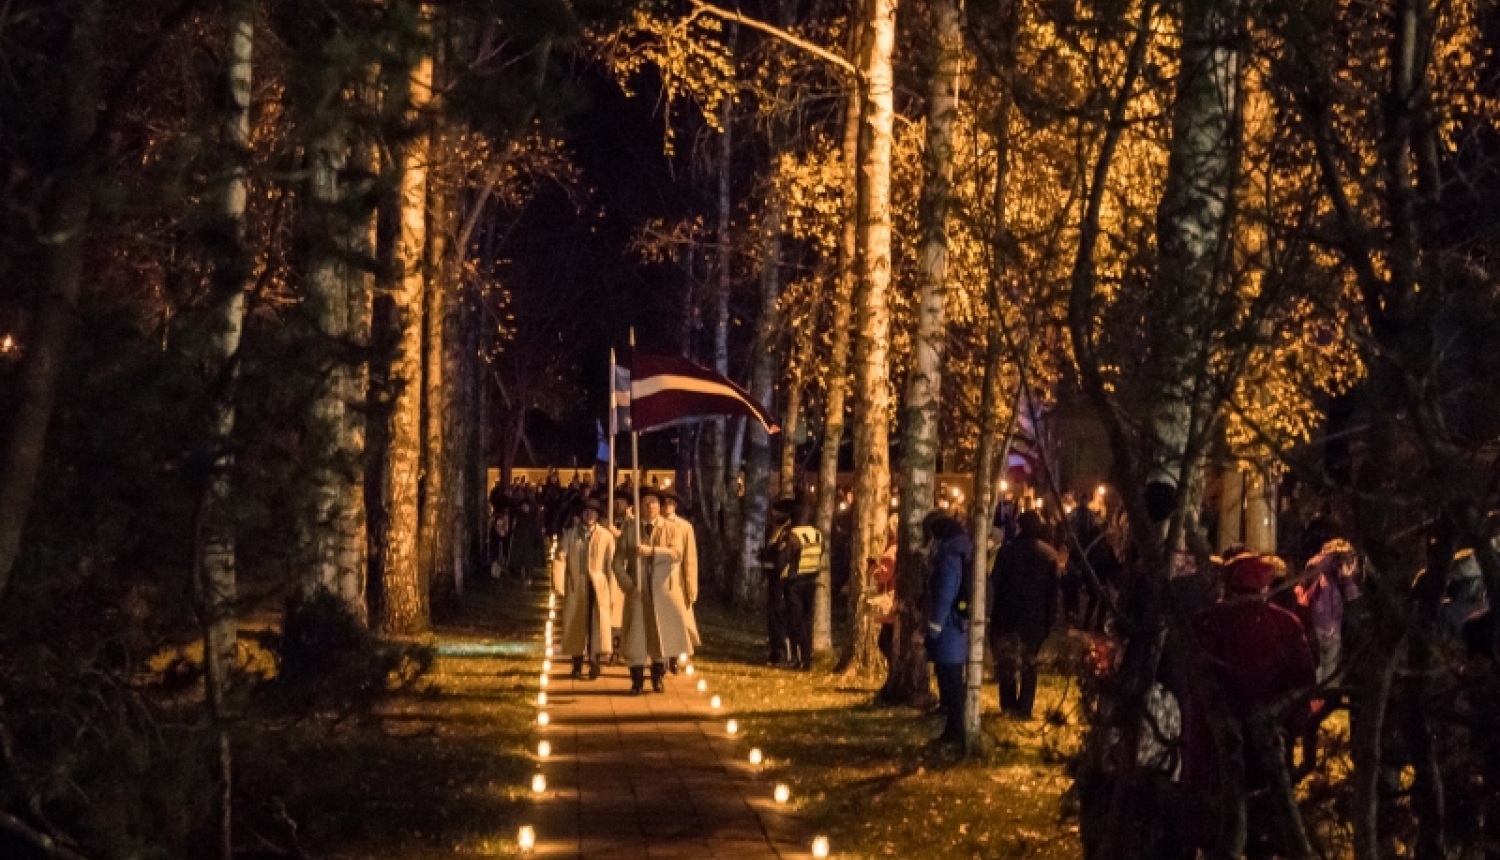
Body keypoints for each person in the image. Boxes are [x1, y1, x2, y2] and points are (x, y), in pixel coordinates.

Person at [1184, 553, 1317, 858]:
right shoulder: (1286, 624)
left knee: (1219, 831)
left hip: (1217, 747)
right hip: (1268, 743)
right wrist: (1293, 729)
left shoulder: (1207, 622)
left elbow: (1195, 684)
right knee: (1264, 828)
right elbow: (1302, 685)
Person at [614, 487, 694, 694]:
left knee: (660, 635)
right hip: (638, 591)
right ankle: (637, 680)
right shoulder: (630, 529)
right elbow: (617, 562)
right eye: (646, 502)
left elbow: (676, 553)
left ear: (660, 506)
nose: (650, 506)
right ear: (639, 506)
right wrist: (628, 585)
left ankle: (658, 677)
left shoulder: (670, 528)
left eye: (654, 502)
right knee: (636, 637)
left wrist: (652, 552)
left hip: (662, 591)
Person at [989, 510, 1060, 719]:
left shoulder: (1007, 551)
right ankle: (1025, 707)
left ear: (1019, 526)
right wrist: (1049, 620)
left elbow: (996, 580)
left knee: (1007, 664)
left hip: (1007, 614)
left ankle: (1008, 705)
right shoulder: (1048, 554)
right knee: (1029, 663)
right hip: (1034, 618)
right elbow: (1052, 591)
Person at [922, 512, 973, 747]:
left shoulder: (949, 556)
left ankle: (956, 731)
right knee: (952, 679)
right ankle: (955, 729)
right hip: (958, 625)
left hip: (950, 628)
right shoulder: (964, 550)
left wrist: (933, 631)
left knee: (951, 680)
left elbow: (944, 595)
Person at [551, 499, 616, 680]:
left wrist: (612, 590)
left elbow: (611, 565)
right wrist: (559, 583)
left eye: (593, 512)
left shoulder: (606, 537)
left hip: (597, 586)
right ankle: (577, 663)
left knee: (596, 626)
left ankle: (595, 661)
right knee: (576, 625)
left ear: (597, 515)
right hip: (577, 586)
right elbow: (561, 558)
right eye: (586, 511)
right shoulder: (571, 535)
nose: (589, 515)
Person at [763, 499, 824, 670]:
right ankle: (807, 658)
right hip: (811, 581)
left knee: (795, 622)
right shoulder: (817, 534)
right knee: (807, 621)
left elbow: (782, 561)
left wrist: (768, 562)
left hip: (794, 583)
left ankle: (797, 659)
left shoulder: (793, 536)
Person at [662, 489, 701, 668]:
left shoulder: (684, 527)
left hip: (677, 581)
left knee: (679, 620)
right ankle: (661, 657)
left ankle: (675, 657)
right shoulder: (656, 525)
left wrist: (691, 585)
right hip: (659, 580)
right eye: (665, 502)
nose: (667, 506)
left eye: (670, 502)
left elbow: (690, 558)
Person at [760, 501, 794, 666]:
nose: (774, 516)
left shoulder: (787, 533)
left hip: (782, 579)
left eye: (777, 513)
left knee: (779, 617)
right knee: (773, 617)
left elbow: (781, 560)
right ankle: (775, 651)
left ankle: (781, 653)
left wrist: (766, 562)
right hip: (774, 580)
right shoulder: (776, 530)